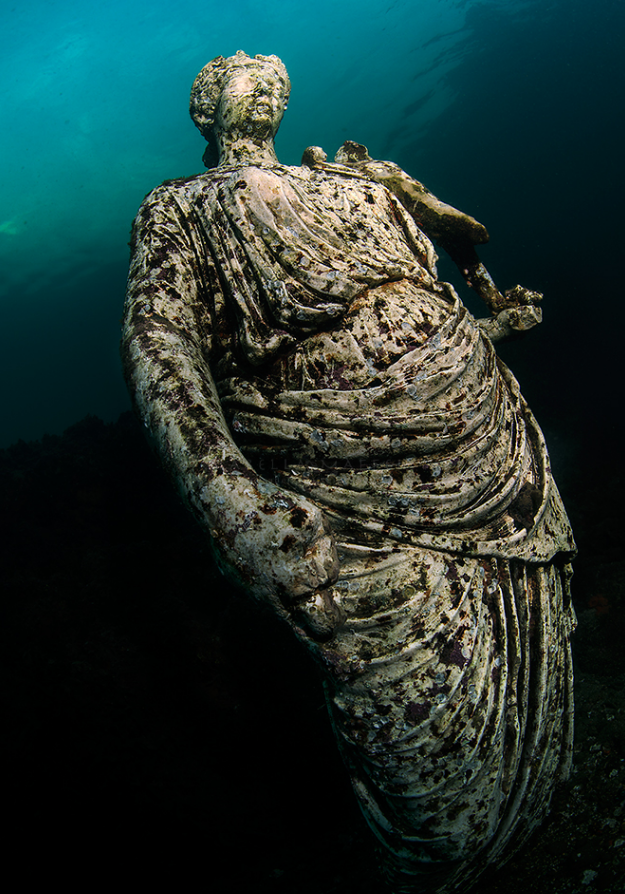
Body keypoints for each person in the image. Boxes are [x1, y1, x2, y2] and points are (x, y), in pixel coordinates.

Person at [122, 51, 576, 893]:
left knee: (525, 650)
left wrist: (492, 327)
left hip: (492, 449)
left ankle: (530, 817)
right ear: (202, 108)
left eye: (271, 74)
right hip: (343, 485)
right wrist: (226, 491)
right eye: (234, 72)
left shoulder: (358, 185)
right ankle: (439, 865)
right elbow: (159, 345)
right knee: (408, 732)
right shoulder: (179, 208)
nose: (260, 77)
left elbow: (423, 298)